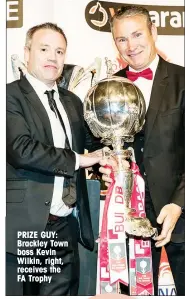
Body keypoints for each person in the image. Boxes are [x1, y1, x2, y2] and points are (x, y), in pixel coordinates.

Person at [6, 22, 105, 296]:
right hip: (22, 227)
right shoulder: (9, 96)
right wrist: (80, 160)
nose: (53, 57)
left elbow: (93, 142)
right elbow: (20, 149)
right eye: (44, 49)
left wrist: (112, 152)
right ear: (27, 53)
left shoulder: (72, 101)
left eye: (59, 51)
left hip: (63, 226)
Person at [100, 5, 185, 295]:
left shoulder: (182, 80)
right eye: (121, 39)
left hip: (179, 217)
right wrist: (107, 170)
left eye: (137, 34)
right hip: (126, 222)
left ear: (154, 32)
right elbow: (102, 147)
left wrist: (178, 203)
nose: (130, 45)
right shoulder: (108, 87)